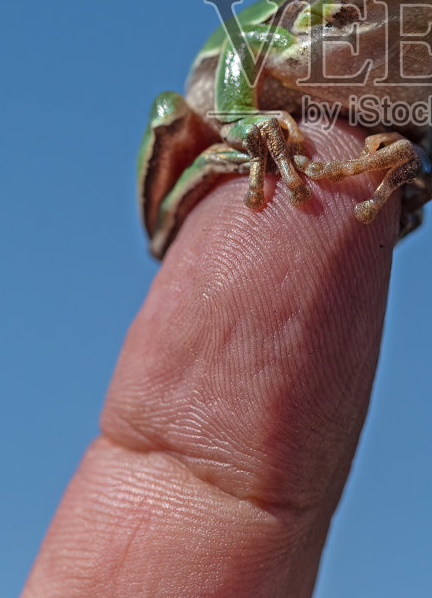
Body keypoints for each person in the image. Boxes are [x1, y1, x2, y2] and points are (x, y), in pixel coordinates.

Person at [23, 122, 399, 597]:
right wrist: (245, 125)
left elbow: (431, 159)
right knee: (170, 113)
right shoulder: (274, 46)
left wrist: (412, 163)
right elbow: (237, 63)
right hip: (221, 137)